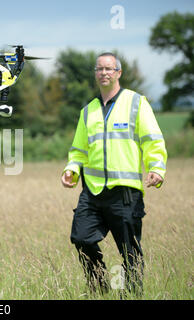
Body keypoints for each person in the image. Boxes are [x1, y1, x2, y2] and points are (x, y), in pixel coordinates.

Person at [61, 52, 167, 296]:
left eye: (109, 69)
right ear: (95, 74)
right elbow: (79, 150)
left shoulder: (136, 103)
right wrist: (71, 169)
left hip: (125, 192)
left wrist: (156, 168)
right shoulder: (88, 111)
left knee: (130, 252)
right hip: (93, 191)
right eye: (99, 69)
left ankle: (131, 295)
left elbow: (153, 140)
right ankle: (99, 286)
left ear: (119, 73)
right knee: (81, 238)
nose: (104, 73)